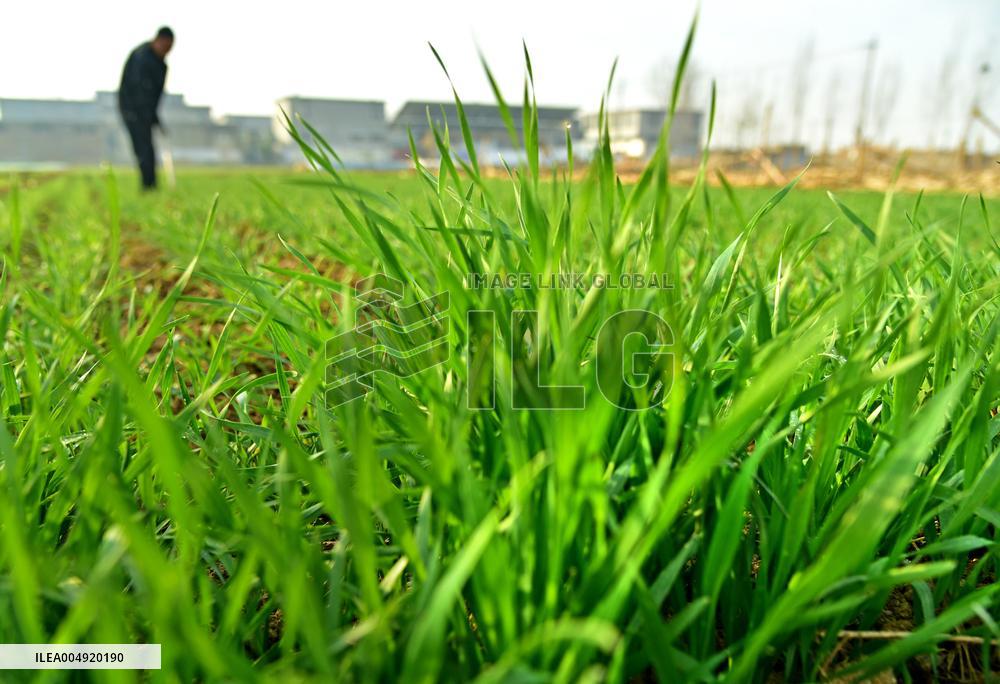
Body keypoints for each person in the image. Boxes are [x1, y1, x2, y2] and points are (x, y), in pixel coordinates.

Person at [118, 27, 174, 189]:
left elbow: (156, 96)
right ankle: (148, 186)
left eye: (170, 49)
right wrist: (142, 115)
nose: (167, 52)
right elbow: (137, 89)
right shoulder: (141, 57)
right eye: (165, 47)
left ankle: (151, 186)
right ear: (158, 41)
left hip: (147, 112)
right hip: (132, 110)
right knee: (143, 149)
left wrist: (154, 118)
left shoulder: (161, 65)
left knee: (148, 148)